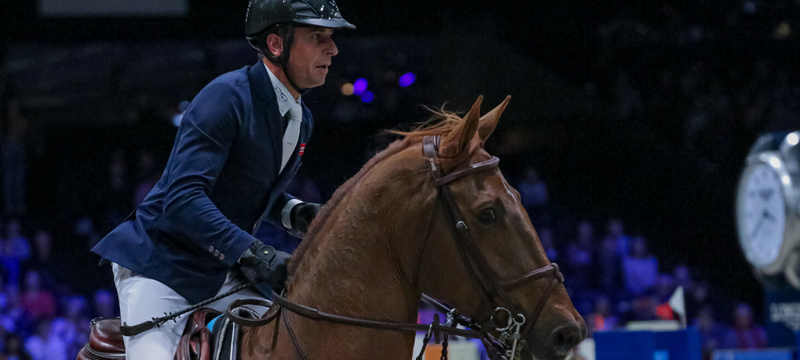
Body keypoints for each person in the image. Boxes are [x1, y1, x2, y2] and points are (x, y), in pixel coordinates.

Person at [90, 1, 355, 359]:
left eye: (331, 37)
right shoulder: (225, 96)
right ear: (277, 45)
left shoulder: (301, 117)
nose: (333, 48)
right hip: (163, 266)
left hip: (219, 271)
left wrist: (299, 213)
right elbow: (183, 199)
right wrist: (254, 252)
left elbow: (248, 189)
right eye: (318, 36)